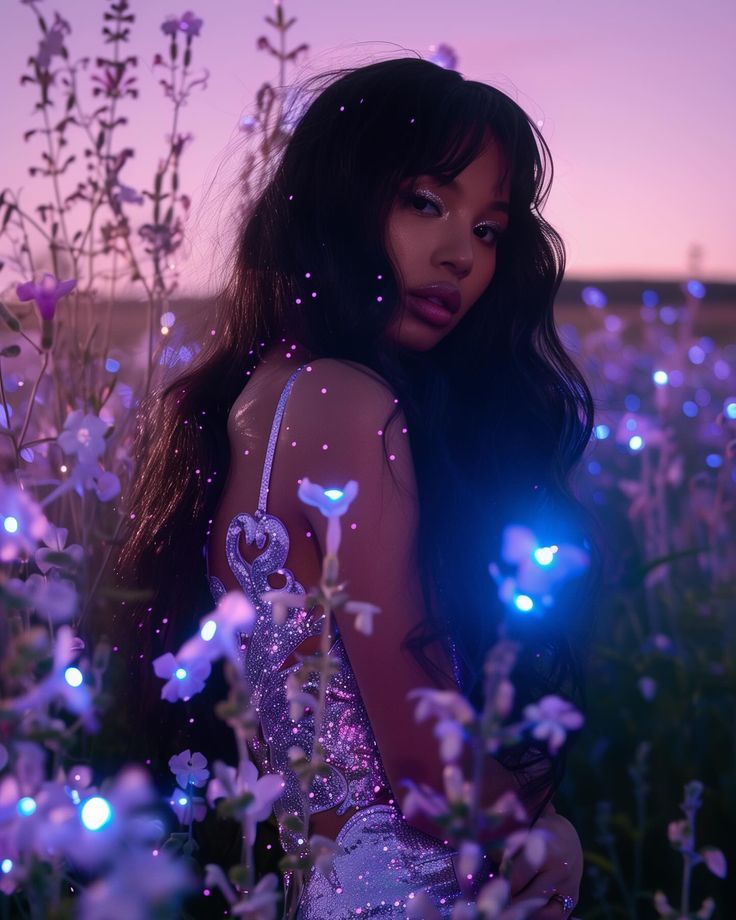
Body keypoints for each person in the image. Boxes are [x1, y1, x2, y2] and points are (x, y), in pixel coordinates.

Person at [114, 56, 602, 918]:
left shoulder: (262, 392)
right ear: (341, 197)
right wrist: (548, 826)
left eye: (488, 229)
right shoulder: (347, 403)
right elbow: (425, 770)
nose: (460, 256)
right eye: (426, 202)